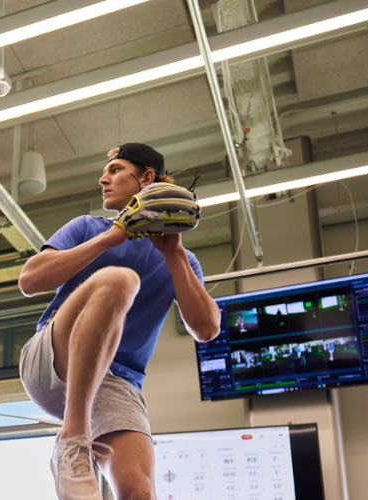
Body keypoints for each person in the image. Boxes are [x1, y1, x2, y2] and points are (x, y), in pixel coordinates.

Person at [17, 143, 220, 500]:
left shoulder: (183, 260)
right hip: (53, 358)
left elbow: (207, 330)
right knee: (119, 281)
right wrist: (113, 236)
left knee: (138, 491)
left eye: (115, 170)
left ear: (146, 178)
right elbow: (30, 281)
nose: (103, 178)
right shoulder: (87, 227)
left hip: (117, 381)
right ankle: (73, 440)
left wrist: (172, 252)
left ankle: (78, 449)